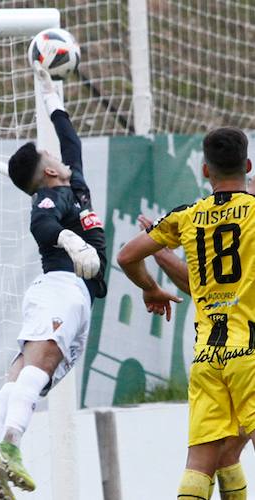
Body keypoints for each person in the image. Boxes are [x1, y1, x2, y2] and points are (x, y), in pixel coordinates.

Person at [0, 61, 107, 500]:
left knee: (22, 376)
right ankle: (9, 445)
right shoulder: (51, 196)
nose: (60, 159)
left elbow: (72, 142)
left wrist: (54, 99)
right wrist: (71, 240)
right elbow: (42, 228)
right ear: (48, 173)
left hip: (72, 296)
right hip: (61, 288)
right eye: (52, 159)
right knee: (38, 368)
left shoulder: (74, 186)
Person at [117, 127, 253, 500]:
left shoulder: (188, 217)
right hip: (252, 353)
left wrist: (150, 287)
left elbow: (127, 256)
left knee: (201, 462)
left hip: (209, 355)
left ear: (205, 171)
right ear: (248, 165)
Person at [137, 214, 250, 500]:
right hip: (242, 351)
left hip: (217, 353)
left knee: (219, 454)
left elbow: (197, 286)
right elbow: (202, 287)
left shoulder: (201, 217)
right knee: (224, 452)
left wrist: (159, 250)